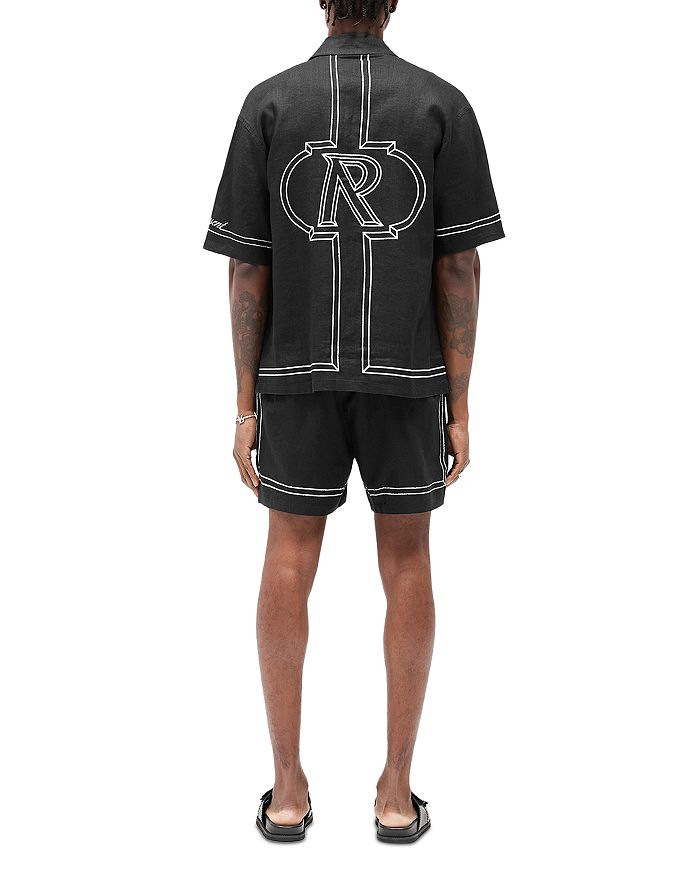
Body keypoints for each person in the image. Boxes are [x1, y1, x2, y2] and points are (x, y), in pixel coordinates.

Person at [203, 0, 504, 844]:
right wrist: (461, 403)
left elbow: (247, 271)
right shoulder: (442, 104)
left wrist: (243, 405)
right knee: (407, 562)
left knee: (287, 558)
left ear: (322, 2)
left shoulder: (268, 103)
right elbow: (459, 265)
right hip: (409, 376)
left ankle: (288, 790)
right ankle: (396, 795)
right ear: (393, 3)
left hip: (293, 376)